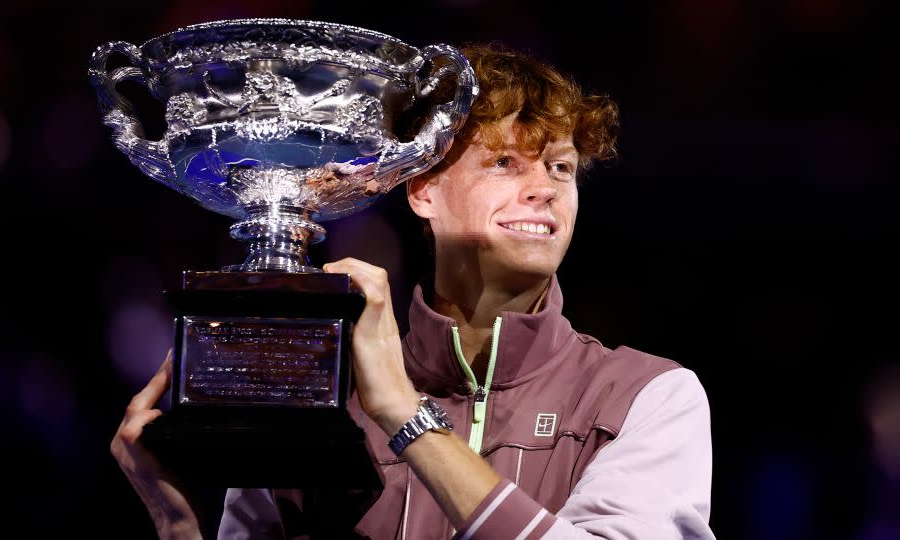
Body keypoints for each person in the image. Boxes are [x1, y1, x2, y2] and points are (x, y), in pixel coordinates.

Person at [112, 44, 715, 539]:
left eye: (560, 167)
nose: (544, 187)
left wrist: (405, 414)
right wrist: (179, 527)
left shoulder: (647, 397)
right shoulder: (318, 390)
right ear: (423, 190)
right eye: (505, 162)